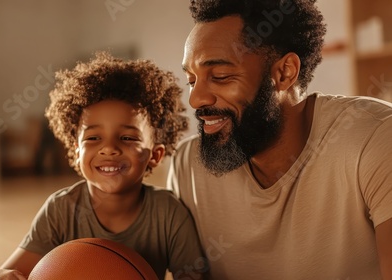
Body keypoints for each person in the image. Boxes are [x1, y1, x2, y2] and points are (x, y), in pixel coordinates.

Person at [168, 0, 392, 279]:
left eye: (220, 76)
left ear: (284, 72)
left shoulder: (375, 137)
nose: (195, 99)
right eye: (191, 79)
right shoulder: (188, 166)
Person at [0, 51, 208, 280]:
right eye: (93, 138)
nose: (109, 148)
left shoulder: (169, 214)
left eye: (128, 138)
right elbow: (8, 272)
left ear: (155, 155)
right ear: (76, 150)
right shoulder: (60, 211)